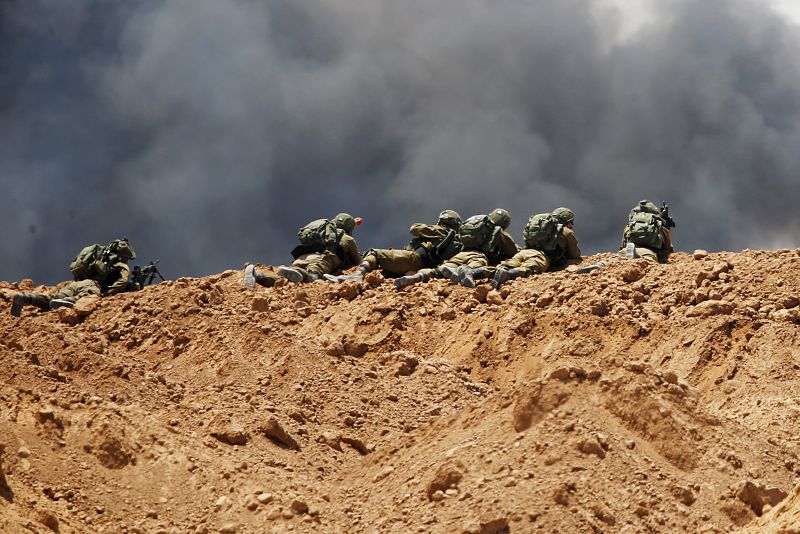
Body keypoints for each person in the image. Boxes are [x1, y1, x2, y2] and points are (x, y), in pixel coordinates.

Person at [325, 210, 462, 283]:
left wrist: (433, 228)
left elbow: (414, 228)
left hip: (415, 259)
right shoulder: (455, 242)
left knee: (374, 253)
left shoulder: (440, 231)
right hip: (427, 266)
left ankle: (358, 275)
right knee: (384, 271)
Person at [395, 209, 519, 289]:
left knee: (439, 270)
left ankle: (418, 276)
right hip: (479, 256)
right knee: (474, 268)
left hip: (460, 254)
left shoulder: (475, 223)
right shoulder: (499, 232)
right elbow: (513, 252)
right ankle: (468, 271)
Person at [10, 238, 136, 316]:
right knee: (89, 297)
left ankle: (25, 298)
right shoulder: (120, 265)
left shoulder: (98, 255)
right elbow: (123, 281)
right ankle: (69, 301)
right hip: (91, 286)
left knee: (52, 299)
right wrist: (106, 293)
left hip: (75, 284)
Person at [244, 213, 362, 287]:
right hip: (321, 261)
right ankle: (299, 273)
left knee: (284, 281)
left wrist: (351, 223)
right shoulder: (347, 239)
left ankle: (258, 275)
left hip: (302, 257)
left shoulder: (324, 228)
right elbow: (357, 261)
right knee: (313, 277)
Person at [480, 208, 582, 289]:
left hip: (524, 252)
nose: (571, 225)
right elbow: (574, 254)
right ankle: (507, 274)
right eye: (571, 222)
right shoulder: (566, 232)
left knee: (505, 265)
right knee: (528, 269)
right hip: (540, 257)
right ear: (566, 222)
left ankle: (478, 272)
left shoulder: (542, 227)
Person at [576, 200, 674, 274]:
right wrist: (667, 228)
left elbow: (624, 242)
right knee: (646, 262)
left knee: (618, 258)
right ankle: (636, 256)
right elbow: (668, 248)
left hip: (627, 248)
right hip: (648, 251)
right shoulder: (659, 226)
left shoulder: (631, 224)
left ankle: (601, 264)